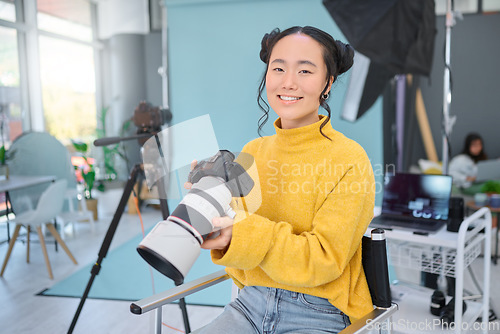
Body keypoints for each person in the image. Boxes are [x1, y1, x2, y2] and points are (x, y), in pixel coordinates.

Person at [186, 26, 375, 333]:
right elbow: (240, 260)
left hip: (320, 311)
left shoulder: (350, 159)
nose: (289, 82)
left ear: (327, 83)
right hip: (250, 304)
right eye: (278, 68)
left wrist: (242, 233)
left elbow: (324, 261)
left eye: (305, 70)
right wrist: (213, 210)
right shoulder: (252, 152)